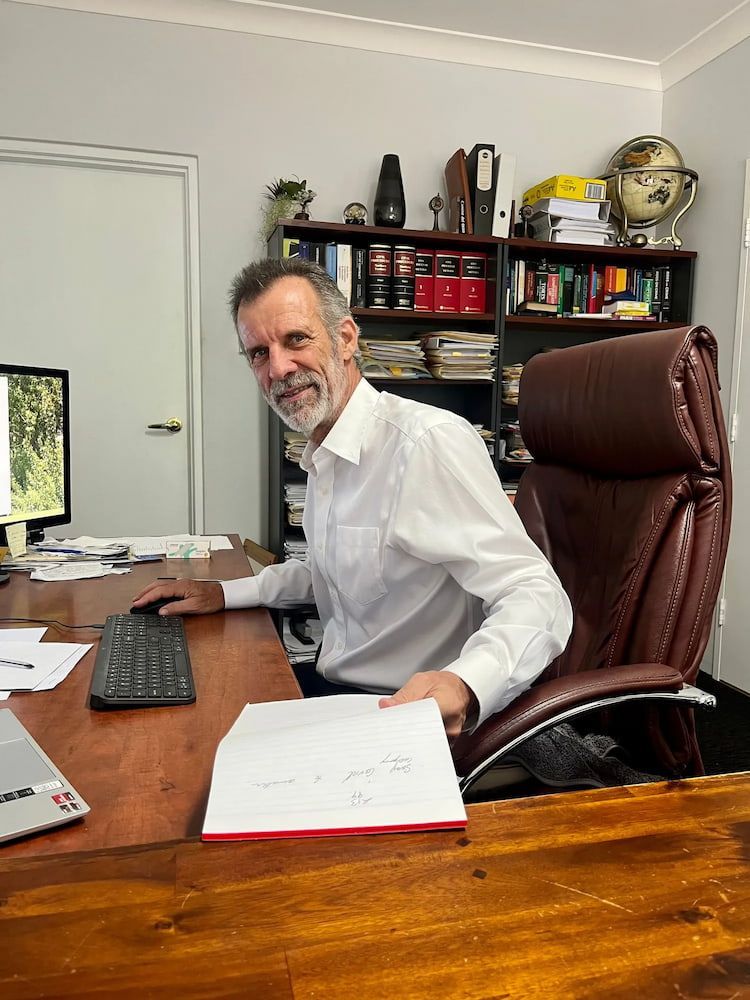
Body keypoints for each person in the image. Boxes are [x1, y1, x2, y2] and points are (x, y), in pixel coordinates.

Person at [133, 258, 572, 738]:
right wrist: (222, 593)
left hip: (404, 715)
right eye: (259, 353)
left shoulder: (424, 444)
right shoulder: (325, 452)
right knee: (181, 715)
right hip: (337, 695)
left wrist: (466, 684)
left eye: (296, 339)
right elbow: (330, 570)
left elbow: (536, 593)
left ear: (345, 339)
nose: (279, 367)